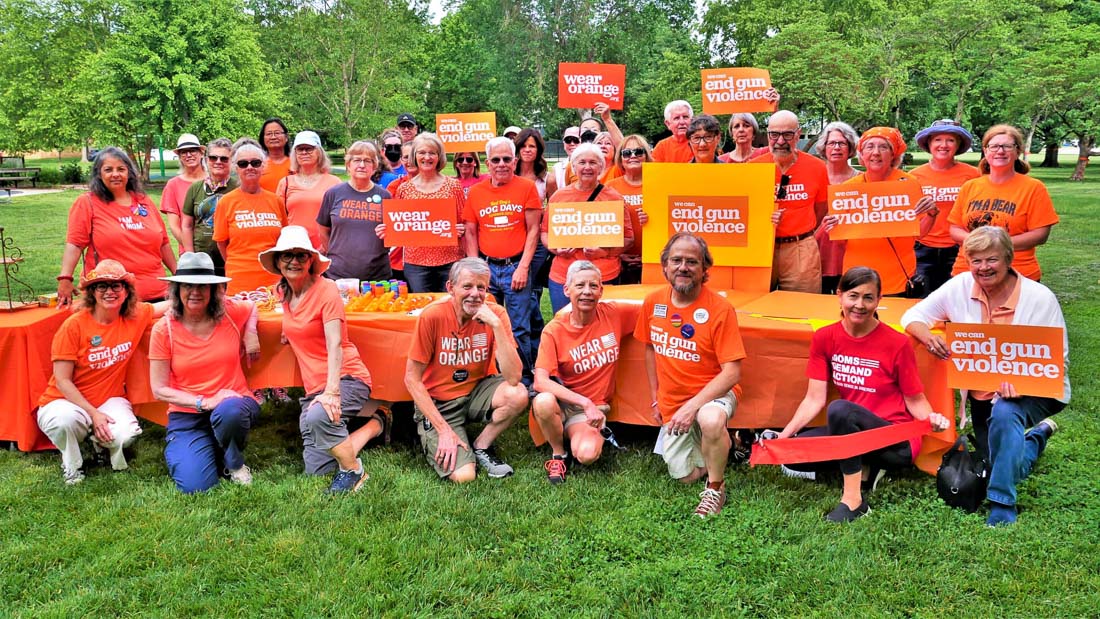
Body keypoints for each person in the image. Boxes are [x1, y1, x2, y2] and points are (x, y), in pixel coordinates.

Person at [902, 226, 1070, 526]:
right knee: (1001, 462)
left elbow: (1059, 361)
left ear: (1008, 259)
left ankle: (1001, 502)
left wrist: (1024, 385)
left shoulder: (1040, 298)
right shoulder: (959, 286)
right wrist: (927, 336)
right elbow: (912, 316)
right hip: (983, 394)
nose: (983, 268)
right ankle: (1036, 439)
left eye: (991, 260)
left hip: (1037, 391)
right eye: (975, 260)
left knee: (1006, 415)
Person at [772, 266, 950, 522]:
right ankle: (866, 466)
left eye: (868, 297)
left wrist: (931, 418)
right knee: (795, 456)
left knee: (839, 410)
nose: (860, 304)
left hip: (893, 439)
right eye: (853, 295)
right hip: (852, 431)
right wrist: (784, 437)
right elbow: (814, 398)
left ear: (879, 300)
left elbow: (914, 399)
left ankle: (854, 501)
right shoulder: (825, 337)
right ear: (839, 295)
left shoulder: (897, 343)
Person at [260, 226, 384, 493]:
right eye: (287, 256)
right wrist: (286, 330)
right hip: (313, 385)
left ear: (311, 261)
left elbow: (335, 343)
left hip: (346, 377)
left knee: (320, 417)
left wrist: (331, 392)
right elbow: (292, 319)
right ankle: (377, 423)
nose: (294, 261)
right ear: (278, 261)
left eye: (301, 256)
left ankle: (354, 472)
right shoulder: (282, 292)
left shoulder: (326, 289)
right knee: (317, 470)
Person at [634, 233, 746, 518]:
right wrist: (655, 398)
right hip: (674, 402)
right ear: (665, 266)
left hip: (715, 394)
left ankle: (715, 488)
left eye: (692, 262)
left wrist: (691, 407)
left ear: (705, 269)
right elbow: (650, 349)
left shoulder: (720, 309)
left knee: (709, 419)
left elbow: (732, 372)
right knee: (682, 474)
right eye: (676, 260)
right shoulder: (652, 302)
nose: (683, 267)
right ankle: (725, 444)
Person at [36, 260, 165, 485]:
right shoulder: (74, 326)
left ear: (126, 291)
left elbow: (171, 305)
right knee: (64, 421)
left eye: (116, 286)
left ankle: (100, 446)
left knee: (126, 434)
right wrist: (94, 414)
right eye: (101, 286)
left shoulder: (135, 316)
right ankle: (72, 465)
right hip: (64, 400)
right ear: (92, 292)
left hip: (109, 398)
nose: (109, 292)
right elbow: (63, 381)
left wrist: (217, 297)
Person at [404, 258, 530, 483]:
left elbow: (514, 378)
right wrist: (443, 430)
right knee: (464, 476)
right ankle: (433, 434)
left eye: (481, 287)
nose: (475, 294)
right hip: (440, 403)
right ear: (450, 288)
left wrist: (497, 327)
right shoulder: (432, 315)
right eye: (467, 286)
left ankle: (481, 446)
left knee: (518, 394)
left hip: (476, 392)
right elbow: (412, 379)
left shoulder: (495, 315)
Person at [148, 252, 261, 493]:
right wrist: (204, 402)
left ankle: (234, 462)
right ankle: (206, 445)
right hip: (187, 415)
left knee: (229, 410)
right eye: (188, 285)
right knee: (195, 486)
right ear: (177, 290)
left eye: (203, 286)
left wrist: (250, 333)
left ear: (214, 290)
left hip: (234, 403)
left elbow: (251, 306)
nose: (195, 292)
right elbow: (159, 389)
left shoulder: (230, 313)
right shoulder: (163, 329)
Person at [532, 261, 625, 483]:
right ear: (567, 290)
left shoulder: (614, 314)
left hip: (590, 411)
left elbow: (650, 305)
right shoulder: (554, 330)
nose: (587, 291)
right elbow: (540, 382)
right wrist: (585, 402)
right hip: (567, 402)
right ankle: (558, 453)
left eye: (593, 286)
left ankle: (568, 431)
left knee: (587, 454)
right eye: (580, 285)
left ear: (601, 291)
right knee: (543, 401)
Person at [822, 127, 936, 296]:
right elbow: (841, 242)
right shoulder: (847, 189)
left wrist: (932, 214)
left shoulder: (908, 183)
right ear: (861, 155)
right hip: (858, 273)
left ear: (893, 154)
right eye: (869, 147)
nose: (876, 152)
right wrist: (831, 229)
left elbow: (919, 233)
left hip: (898, 274)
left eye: (883, 147)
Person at [57, 147, 177, 307]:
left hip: (156, 297)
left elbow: (163, 243)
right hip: (111, 299)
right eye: (108, 169)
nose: (115, 174)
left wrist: (179, 276)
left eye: (121, 169)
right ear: (99, 174)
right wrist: (65, 278)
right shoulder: (88, 203)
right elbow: (75, 244)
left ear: (129, 173)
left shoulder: (143, 201)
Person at [463, 136, 542, 378]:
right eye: (495, 159)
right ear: (487, 163)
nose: (501, 164)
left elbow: (534, 230)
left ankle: (524, 375)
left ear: (515, 161)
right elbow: (470, 231)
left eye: (507, 159)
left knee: (518, 327)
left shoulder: (526, 188)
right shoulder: (476, 192)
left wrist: (524, 267)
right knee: (484, 323)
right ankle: (491, 374)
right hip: (487, 267)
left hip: (515, 265)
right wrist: (477, 271)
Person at [947, 124, 1059, 282]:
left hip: (1017, 273)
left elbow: (1040, 235)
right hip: (967, 272)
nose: (1000, 151)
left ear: (1017, 151)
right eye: (994, 146)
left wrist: (995, 245)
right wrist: (981, 244)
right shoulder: (970, 186)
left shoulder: (1033, 188)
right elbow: (954, 228)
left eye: (1007, 146)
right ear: (985, 151)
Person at [543, 143, 634, 312]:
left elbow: (628, 239)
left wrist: (605, 251)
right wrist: (556, 249)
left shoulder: (613, 198)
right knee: (564, 326)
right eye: (582, 162)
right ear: (574, 166)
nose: (587, 167)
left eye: (593, 163)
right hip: (564, 275)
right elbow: (545, 233)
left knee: (602, 325)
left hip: (603, 275)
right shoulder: (559, 197)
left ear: (601, 166)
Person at [750, 110, 829, 293]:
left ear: (798, 134)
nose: (780, 141)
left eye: (787, 134)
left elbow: (821, 209)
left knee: (801, 309)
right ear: (768, 134)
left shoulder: (817, 168)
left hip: (800, 248)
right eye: (774, 134)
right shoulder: (754, 168)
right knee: (755, 305)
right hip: (762, 247)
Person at [385, 133, 466, 293]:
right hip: (416, 264)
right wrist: (387, 230)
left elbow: (463, 221)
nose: (427, 157)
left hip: (450, 261)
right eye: (422, 152)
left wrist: (460, 229)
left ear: (439, 156)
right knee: (422, 310)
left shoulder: (454, 186)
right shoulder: (404, 189)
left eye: (432, 153)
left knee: (449, 310)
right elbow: (400, 224)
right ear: (415, 156)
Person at [909, 119, 981, 294]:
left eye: (950, 140)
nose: (944, 145)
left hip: (960, 247)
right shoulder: (913, 176)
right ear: (929, 144)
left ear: (958, 145)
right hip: (922, 249)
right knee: (922, 300)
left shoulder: (973, 175)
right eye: (938, 140)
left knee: (959, 298)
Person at [213, 143, 287, 295]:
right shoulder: (226, 202)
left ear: (263, 166)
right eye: (243, 163)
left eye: (255, 163)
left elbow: (283, 240)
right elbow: (221, 242)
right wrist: (237, 266)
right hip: (240, 281)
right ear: (236, 168)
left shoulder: (276, 201)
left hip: (273, 280)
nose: (249, 167)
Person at [317, 140, 391, 282]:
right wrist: (334, 253)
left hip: (377, 276)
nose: (362, 165)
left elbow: (392, 233)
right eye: (357, 160)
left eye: (367, 161)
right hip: (338, 274)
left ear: (374, 166)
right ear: (348, 165)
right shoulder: (333, 193)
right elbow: (322, 228)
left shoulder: (385, 196)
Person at [812, 121, 861, 294]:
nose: (837, 148)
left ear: (850, 147)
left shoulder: (862, 180)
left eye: (842, 143)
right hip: (817, 251)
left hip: (851, 252)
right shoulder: (813, 176)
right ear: (824, 147)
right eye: (832, 143)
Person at [181, 138, 238, 276]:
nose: (218, 162)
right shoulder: (195, 188)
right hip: (201, 260)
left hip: (230, 260)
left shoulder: (238, 188)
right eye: (213, 158)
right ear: (206, 160)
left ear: (231, 161)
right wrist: (191, 256)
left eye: (224, 158)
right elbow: (187, 226)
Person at [276, 130, 341, 249]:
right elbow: (279, 220)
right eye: (300, 149)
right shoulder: (285, 183)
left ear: (319, 152)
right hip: (294, 250)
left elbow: (340, 221)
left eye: (309, 148)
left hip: (326, 248)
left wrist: (326, 245)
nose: (304, 152)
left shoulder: (334, 182)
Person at [605, 134, 652, 285]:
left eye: (638, 152)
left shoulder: (659, 184)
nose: (633, 156)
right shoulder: (610, 188)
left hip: (653, 260)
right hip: (620, 261)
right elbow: (604, 227)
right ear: (620, 158)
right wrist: (619, 254)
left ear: (646, 156)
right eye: (627, 153)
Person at [160, 133, 206, 246]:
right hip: (190, 253)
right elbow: (174, 226)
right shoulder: (173, 185)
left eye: (193, 150)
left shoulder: (214, 180)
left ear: (201, 153)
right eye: (184, 152)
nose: (188, 155)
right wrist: (190, 249)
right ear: (179, 156)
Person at [258, 118, 292, 193]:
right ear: (263, 138)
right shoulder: (257, 164)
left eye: (277, 133)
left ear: (286, 137)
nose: (273, 137)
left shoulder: (296, 163)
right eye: (269, 134)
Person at [553, 126, 581, 190]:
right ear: (564, 143)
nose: (572, 143)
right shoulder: (557, 168)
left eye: (576, 140)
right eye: (568, 140)